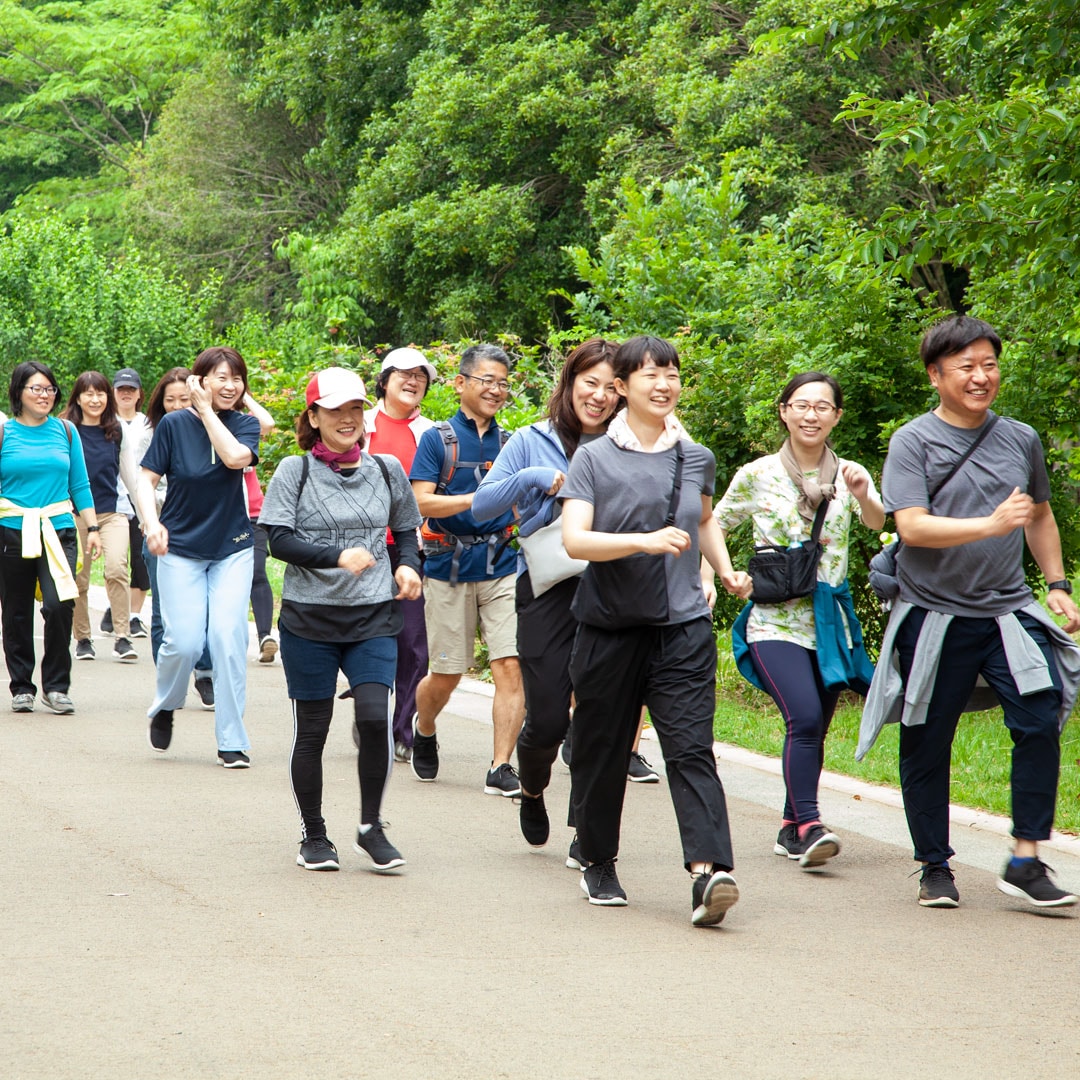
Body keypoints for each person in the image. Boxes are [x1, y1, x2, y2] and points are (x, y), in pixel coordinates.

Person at [858, 314, 1080, 909]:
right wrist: (987, 524)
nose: (982, 377)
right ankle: (934, 865)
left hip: (1008, 610)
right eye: (967, 367)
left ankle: (1026, 858)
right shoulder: (913, 441)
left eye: (990, 365)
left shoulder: (1021, 438)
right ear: (936, 375)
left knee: (1039, 721)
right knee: (927, 739)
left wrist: (1055, 583)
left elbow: (1038, 514)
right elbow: (912, 527)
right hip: (934, 614)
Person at [560, 334, 739, 926]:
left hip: (683, 627)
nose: (664, 384)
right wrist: (641, 541)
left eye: (672, 373)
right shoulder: (592, 458)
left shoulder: (697, 457)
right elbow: (575, 540)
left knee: (690, 748)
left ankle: (708, 872)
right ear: (622, 388)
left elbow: (705, 519)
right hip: (610, 626)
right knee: (602, 749)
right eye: (650, 374)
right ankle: (598, 857)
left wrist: (725, 568)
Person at [711, 372, 884, 869]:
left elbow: (876, 520)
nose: (812, 415)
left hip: (831, 620)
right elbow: (714, 525)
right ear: (784, 411)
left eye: (822, 407)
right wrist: (722, 573)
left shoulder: (851, 472)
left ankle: (791, 828)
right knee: (804, 716)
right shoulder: (758, 473)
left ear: (836, 416)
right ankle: (811, 823)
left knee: (817, 725)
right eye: (801, 405)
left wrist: (863, 492)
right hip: (773, 619)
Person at [260, 367, 423, 871]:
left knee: (375, 718)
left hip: (373, 615)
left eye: (355, 409)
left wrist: (408, 567)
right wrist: (337, 556)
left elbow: (407, 531)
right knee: (313, 729)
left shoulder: (387, 469)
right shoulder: (295, 470)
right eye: (335, 410)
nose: (348, 419)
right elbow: (278, 540)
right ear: (314, 416)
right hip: (310, 620)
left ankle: (371, 827)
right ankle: (314, 834)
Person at [472, 339, 621, 856]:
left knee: (600, 717)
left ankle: (586, 830)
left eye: (610, 387)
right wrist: (535, 479)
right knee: (551, 718)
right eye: (590, 383)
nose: (599, 396)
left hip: (613, 587)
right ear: (570, 382)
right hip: (547, 589)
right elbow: (483, 504)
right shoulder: (532, 439)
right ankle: (532, 787)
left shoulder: (630, 444)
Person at [408, 343, 525, 796]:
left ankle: (500, 766)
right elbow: (421, 500)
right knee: (448, 673)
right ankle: (425, 725)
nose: (496, 390)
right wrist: (478, 500)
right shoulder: (437, 439)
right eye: (487, 381)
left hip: (502, 564)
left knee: (510, 664)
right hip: (447, 567)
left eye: (503, 383)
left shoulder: (513, 442)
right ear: (460, 383)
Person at [135, 346, 261, 767]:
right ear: (201, 379)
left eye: (236, 377)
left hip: (233, 546)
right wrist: (152, 523)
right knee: (184, 641)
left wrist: (207, 412)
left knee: (228, 638)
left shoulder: (244, 425)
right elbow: (146, 478)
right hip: (181, 547)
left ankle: (231, 738)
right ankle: (167, 703)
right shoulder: (172, 424)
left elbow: (234, 458)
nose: (230, 385)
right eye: (221, 377)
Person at [0, 362, 102, 714]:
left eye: (49, 389)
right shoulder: (5, 433)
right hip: (11, 529)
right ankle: (22, 686)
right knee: (15, 610)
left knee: (59, 604)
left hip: (58, 528)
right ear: (18, 393)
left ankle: (56, 686)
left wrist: (94, 528)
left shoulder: (66, 431)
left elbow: (80, 484)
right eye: (36, 389)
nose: (44, 396)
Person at [364, 347, 437, 761]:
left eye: (420, 377)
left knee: (413, 644)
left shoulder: (433, 432)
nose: (412, 382)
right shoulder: (361, 424)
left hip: (414, 548)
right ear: (385, 379)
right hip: (362, 549)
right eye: (403, 375)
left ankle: (400, 729)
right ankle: (370, 710)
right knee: (364, 636)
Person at [141, 368, 215, 708]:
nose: (176, 406)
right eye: (169, 400)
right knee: (163, 612)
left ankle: (204, 673)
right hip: (159, 529)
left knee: (207, 611)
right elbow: (140, 483)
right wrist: (152, 521)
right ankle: (169, 683)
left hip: (204, 533)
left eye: (183, 399)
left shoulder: (214, 430)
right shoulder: (151, 434)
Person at [62, 371, 144, 663]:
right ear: (78, 398)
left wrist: (145, 514)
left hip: (113, 513)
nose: (95, 399)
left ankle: (122, 636)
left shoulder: (116, 429)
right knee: (78, 580)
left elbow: (130, 475)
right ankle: (83, 638)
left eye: (100, 394)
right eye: (89, 394)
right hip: (74, 515)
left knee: (116, 569)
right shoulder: (66, 430)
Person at [100, 367, 151, 640]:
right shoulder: (106, 422)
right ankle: (115, 607)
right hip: (115, 494)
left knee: (141, 556)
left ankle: (133, 616)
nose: (126, 394)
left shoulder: (148, 422)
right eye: (121, 390)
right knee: (116, 559)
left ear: (139, 393)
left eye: (131, 390)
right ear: (113, 393)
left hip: (145, 494)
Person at [240, 392, 279, 664]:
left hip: (253, 512)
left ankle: (265, 636)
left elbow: (268, 423)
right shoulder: (203, 424)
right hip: (220, 513)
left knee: (256, 570)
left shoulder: (245, 423)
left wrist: (245, 398)